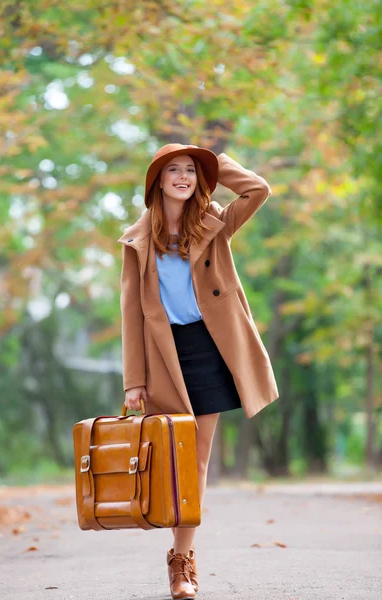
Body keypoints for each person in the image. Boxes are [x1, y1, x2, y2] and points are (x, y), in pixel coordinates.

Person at [118, 143, 279, 599]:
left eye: (190, 170)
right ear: (157, 181)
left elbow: (258, 190)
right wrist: (134, 381)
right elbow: (131, 314)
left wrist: (216, 163)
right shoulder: (136, 241)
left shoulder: (215, 223)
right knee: (171, 458)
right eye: (174, 170)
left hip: (211, 350)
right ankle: (179, 546)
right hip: (164, 356)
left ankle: (182, 563)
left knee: (196, 458)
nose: (183, 177)